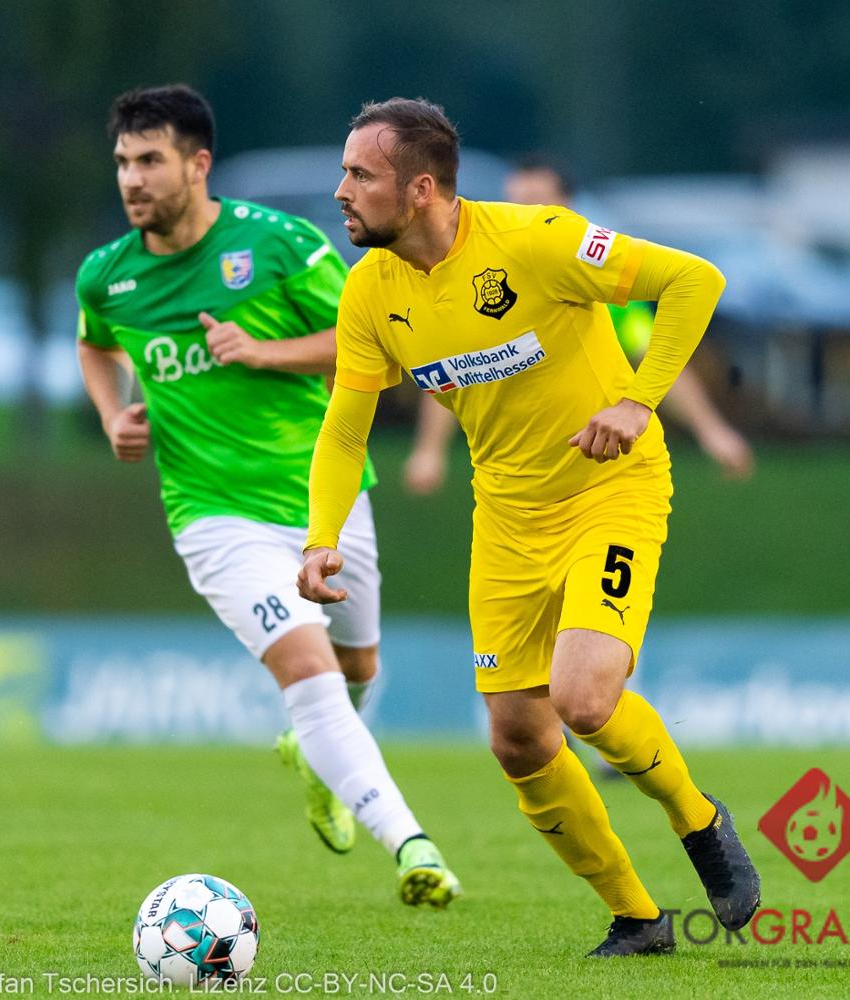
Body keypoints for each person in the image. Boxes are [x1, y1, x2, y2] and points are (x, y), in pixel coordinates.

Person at [299, 98, 759, 955]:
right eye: (344, 172)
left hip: (610, 490)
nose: (341, 191)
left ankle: (698, 821)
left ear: (422, 189)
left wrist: (636, 402)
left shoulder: (538, 239)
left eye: (360, 174)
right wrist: (321, 535)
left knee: (582, 700)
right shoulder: (370, 290)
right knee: (517, 738)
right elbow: (345, 430)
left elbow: (695, 280)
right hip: (507, 517)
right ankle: (637, 918)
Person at [76, 85, 459, 907]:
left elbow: (374, 345)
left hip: (325, 497)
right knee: (309, 666)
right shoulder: (108, 277)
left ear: (198, 164)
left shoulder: (278, 245)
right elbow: (94, 344)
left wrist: (263, 352)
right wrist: (113, 416)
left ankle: (318, 757)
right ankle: (412, 845)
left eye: (150, 160)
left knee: (358, 666)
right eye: (123, 162)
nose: (132, 179)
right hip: (213, 515)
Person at [404, 155, 754, 495]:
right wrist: (429, 450)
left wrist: (710, 430)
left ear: (569, 207)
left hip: (598, 468)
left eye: (536, 202)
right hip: (515, 479)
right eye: (514, 203)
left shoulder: (601, 287)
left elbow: (650, 350)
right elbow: (457, 365)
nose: (522, 213)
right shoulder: (481, 280)